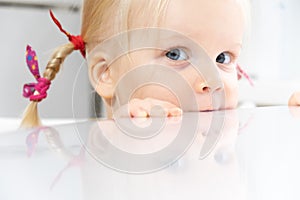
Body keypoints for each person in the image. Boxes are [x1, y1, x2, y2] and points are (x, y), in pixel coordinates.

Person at [20, 0, 299, 128]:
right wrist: (129, 131)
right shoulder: (117, 145)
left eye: (222, 58)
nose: (212, 81)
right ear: (107, 73)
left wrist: (287, 124)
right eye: (176, 54)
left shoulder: (221, 125)